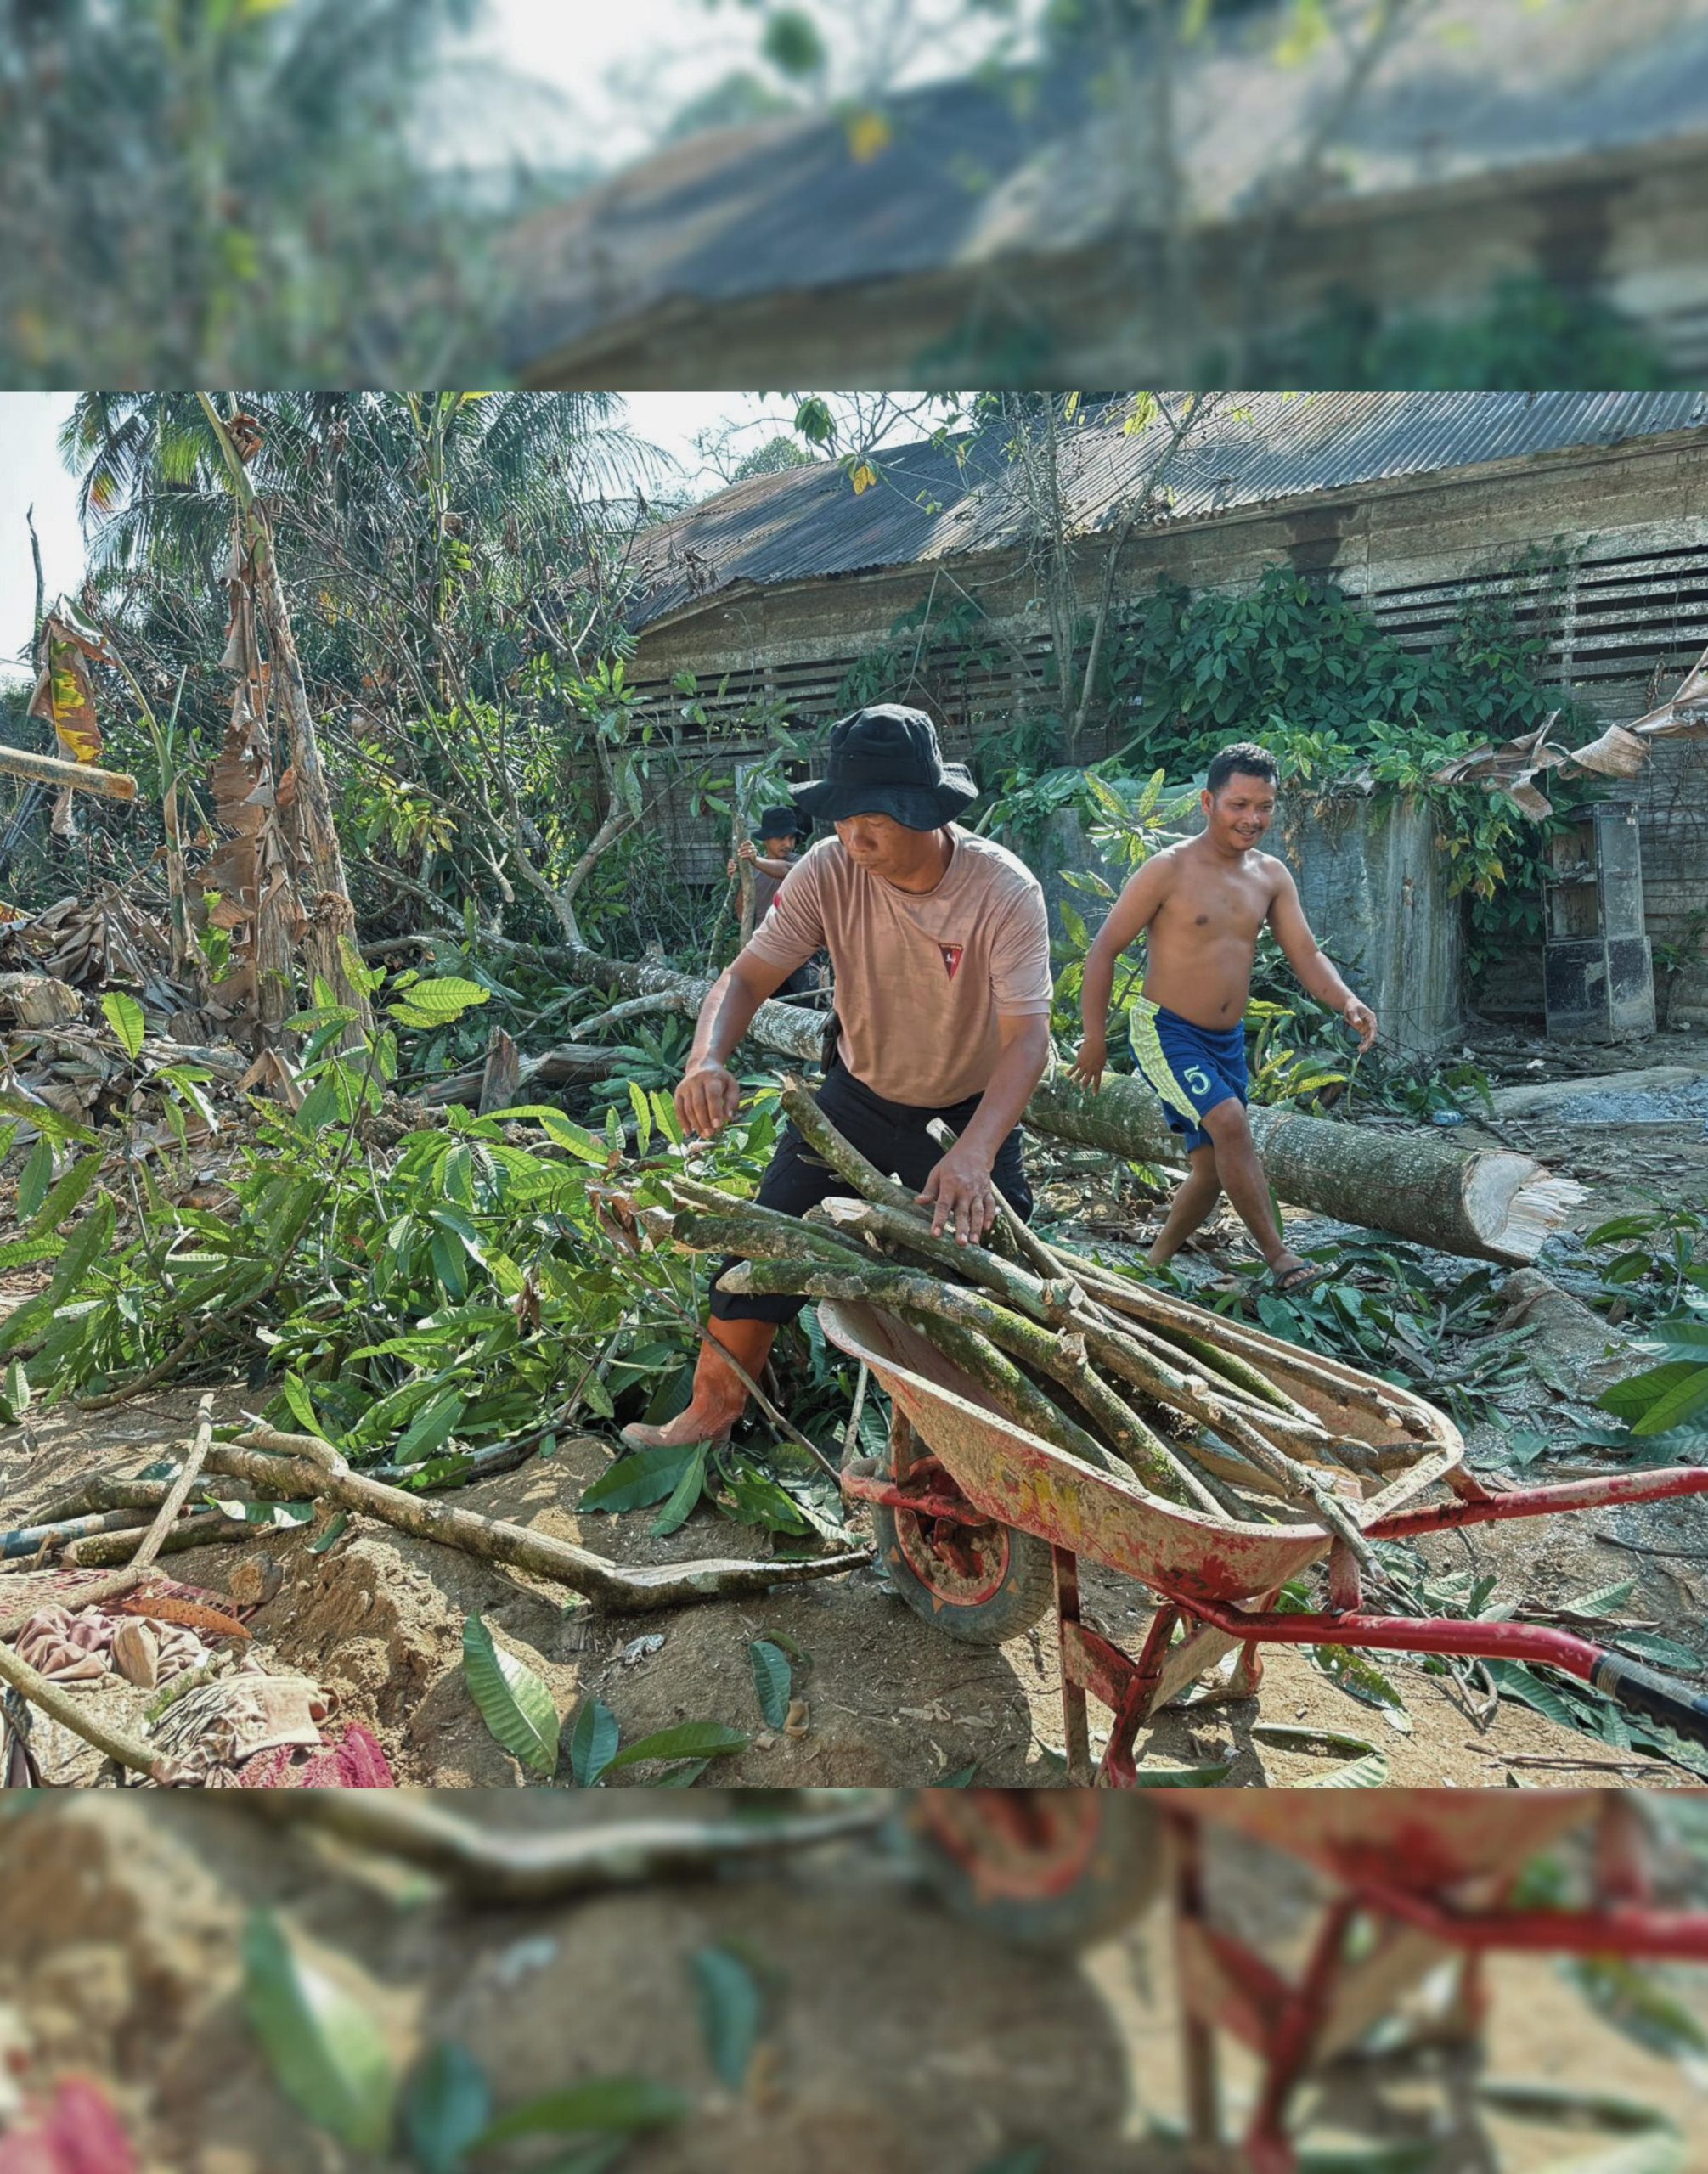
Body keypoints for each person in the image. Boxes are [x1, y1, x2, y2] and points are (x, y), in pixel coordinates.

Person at [623, 703, 1054, 1451]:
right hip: (855, 1100)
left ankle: (980, 1440)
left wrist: (976, 1152)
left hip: (964, 1114)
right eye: (845, 819)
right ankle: (711, 1413)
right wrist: (706, 1059)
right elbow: (745, 978)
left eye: (875, 821)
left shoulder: (1002, 890)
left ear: (924, 811)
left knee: (990, 1282)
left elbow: (1026, 1041)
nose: (856, 839)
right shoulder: (827, 870)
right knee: (762, 1250)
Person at [1070, 740, 1378, 1295]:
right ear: (1208, 803)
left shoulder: (1271, 876)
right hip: (1165, 1031)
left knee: (1212, 1168)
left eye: (1264, 806)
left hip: (1226, 1041)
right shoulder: (1167, 870)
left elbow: (1306, 953)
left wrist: (1346, 1000)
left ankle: (1152, 1268)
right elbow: (1104, 951)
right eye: (1238, 805)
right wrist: (1094, 1038)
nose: (1252, 818)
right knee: (1231, 1122)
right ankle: (1281, 1258)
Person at [729, 806, 816, 996]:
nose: (788, 844)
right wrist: (739, 878)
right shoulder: (752, 871)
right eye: (781, 838)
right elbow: (743, 915)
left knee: (813, 1003)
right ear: (766, 839)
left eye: (791, 838)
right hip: (767, 952)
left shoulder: (803, 862)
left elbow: (786, 870)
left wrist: (755, 861)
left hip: (799, 952)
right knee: (767, 1005)